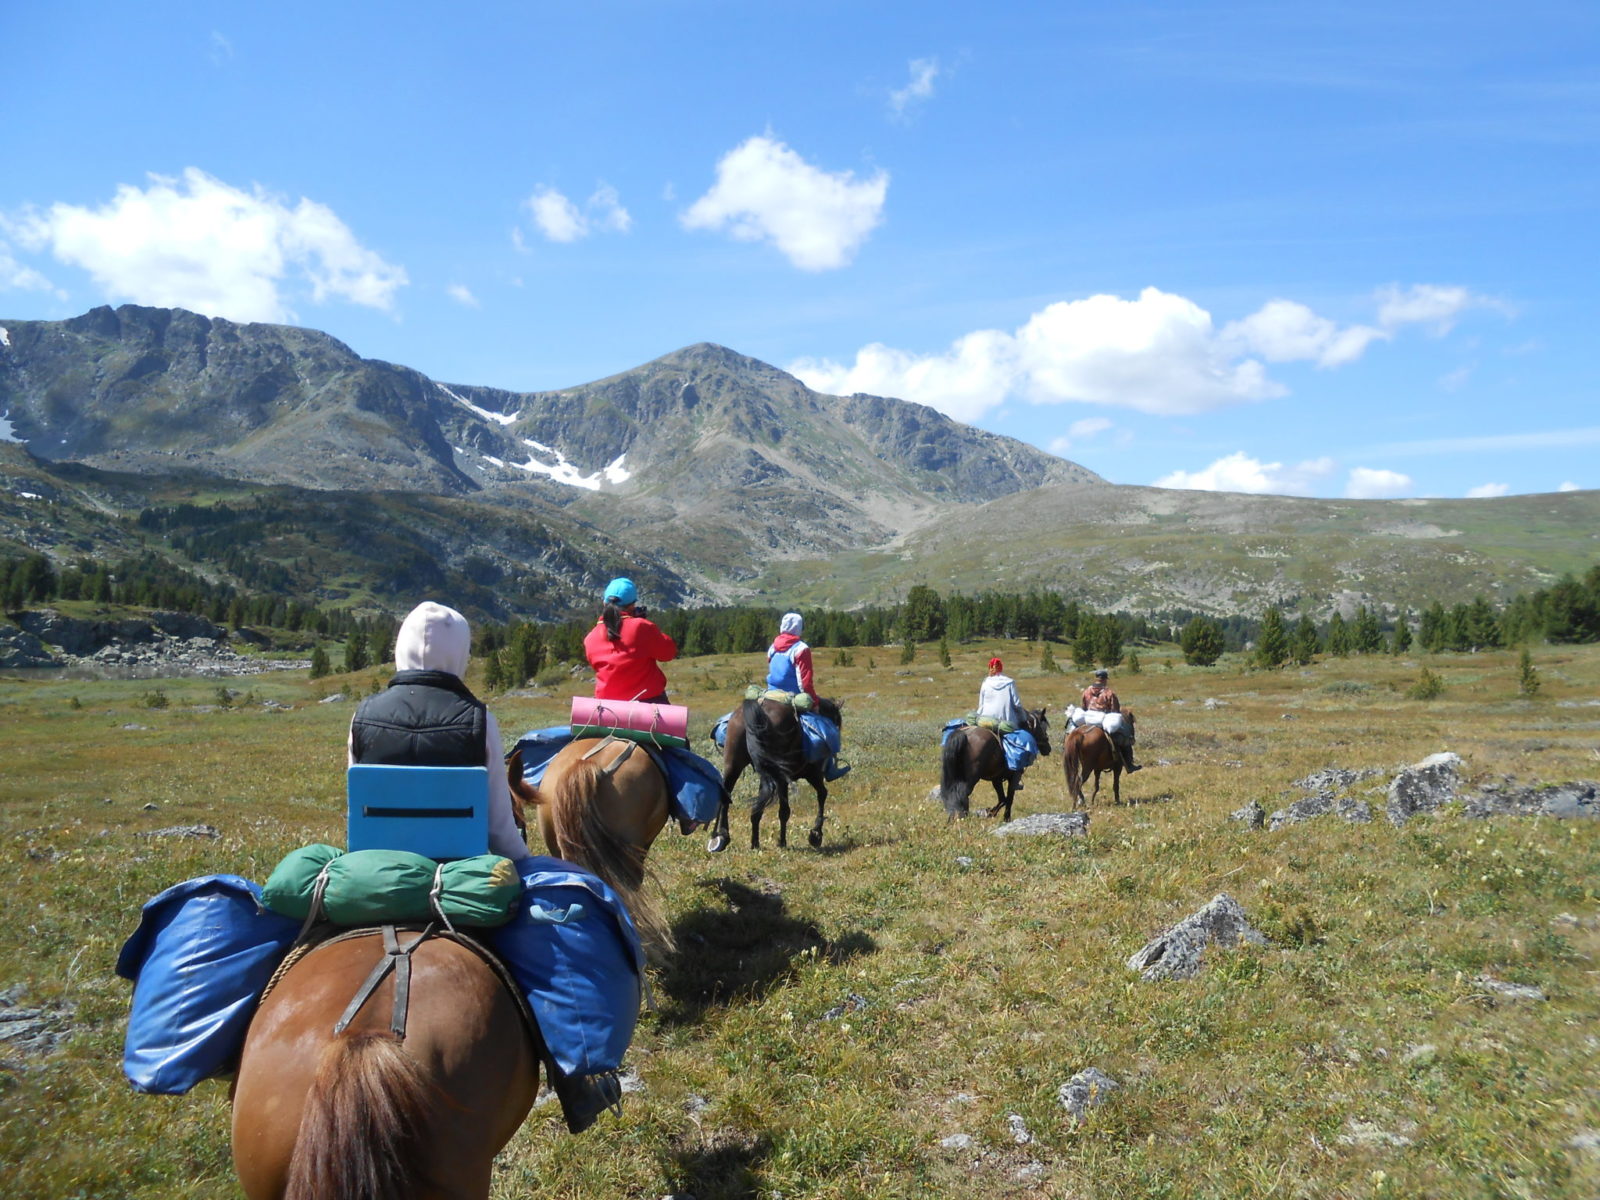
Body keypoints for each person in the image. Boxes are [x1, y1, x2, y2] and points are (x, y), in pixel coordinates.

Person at [348, 600, 532, 863]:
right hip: (455, 875)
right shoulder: (480, 720)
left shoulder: (362, 716)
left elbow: (358, 813)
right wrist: (529, 864)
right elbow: (500, 832)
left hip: (379, 869)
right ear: (460, 652)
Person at [765, 612, 848, 780]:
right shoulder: (801, 648)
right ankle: (829, 768)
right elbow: (805, 682)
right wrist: (814, 703)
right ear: (799, 628)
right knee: (826, 727)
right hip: (792, 696)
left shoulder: (772, 647)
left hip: (771, 694)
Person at [583, 577, 677, 703]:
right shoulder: (641, 627)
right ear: (632, 605)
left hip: (606, 707)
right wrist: (647, 624)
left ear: (604, 603)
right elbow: (668, 653)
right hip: (649, 702)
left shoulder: (590, 638)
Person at [975, 656, 1027, 789]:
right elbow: (1016, 704)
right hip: (1005, 720)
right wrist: (1022, 718)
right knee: (1019, 742)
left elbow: (981, 705)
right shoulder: (1010, 682)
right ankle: (1017, 775)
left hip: (985, 720)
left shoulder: (985, 683)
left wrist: (978, 718)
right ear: (1001, 668)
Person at [1081, 667, 1140, 772]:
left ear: (1096, 678)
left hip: (1089, 719)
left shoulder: (1086, 691)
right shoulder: (1109, 693)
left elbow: (1083, 708)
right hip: (1103, 720)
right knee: (1124, 737)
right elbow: (1115, 711)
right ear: (1104, 679)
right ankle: (1129, 763)